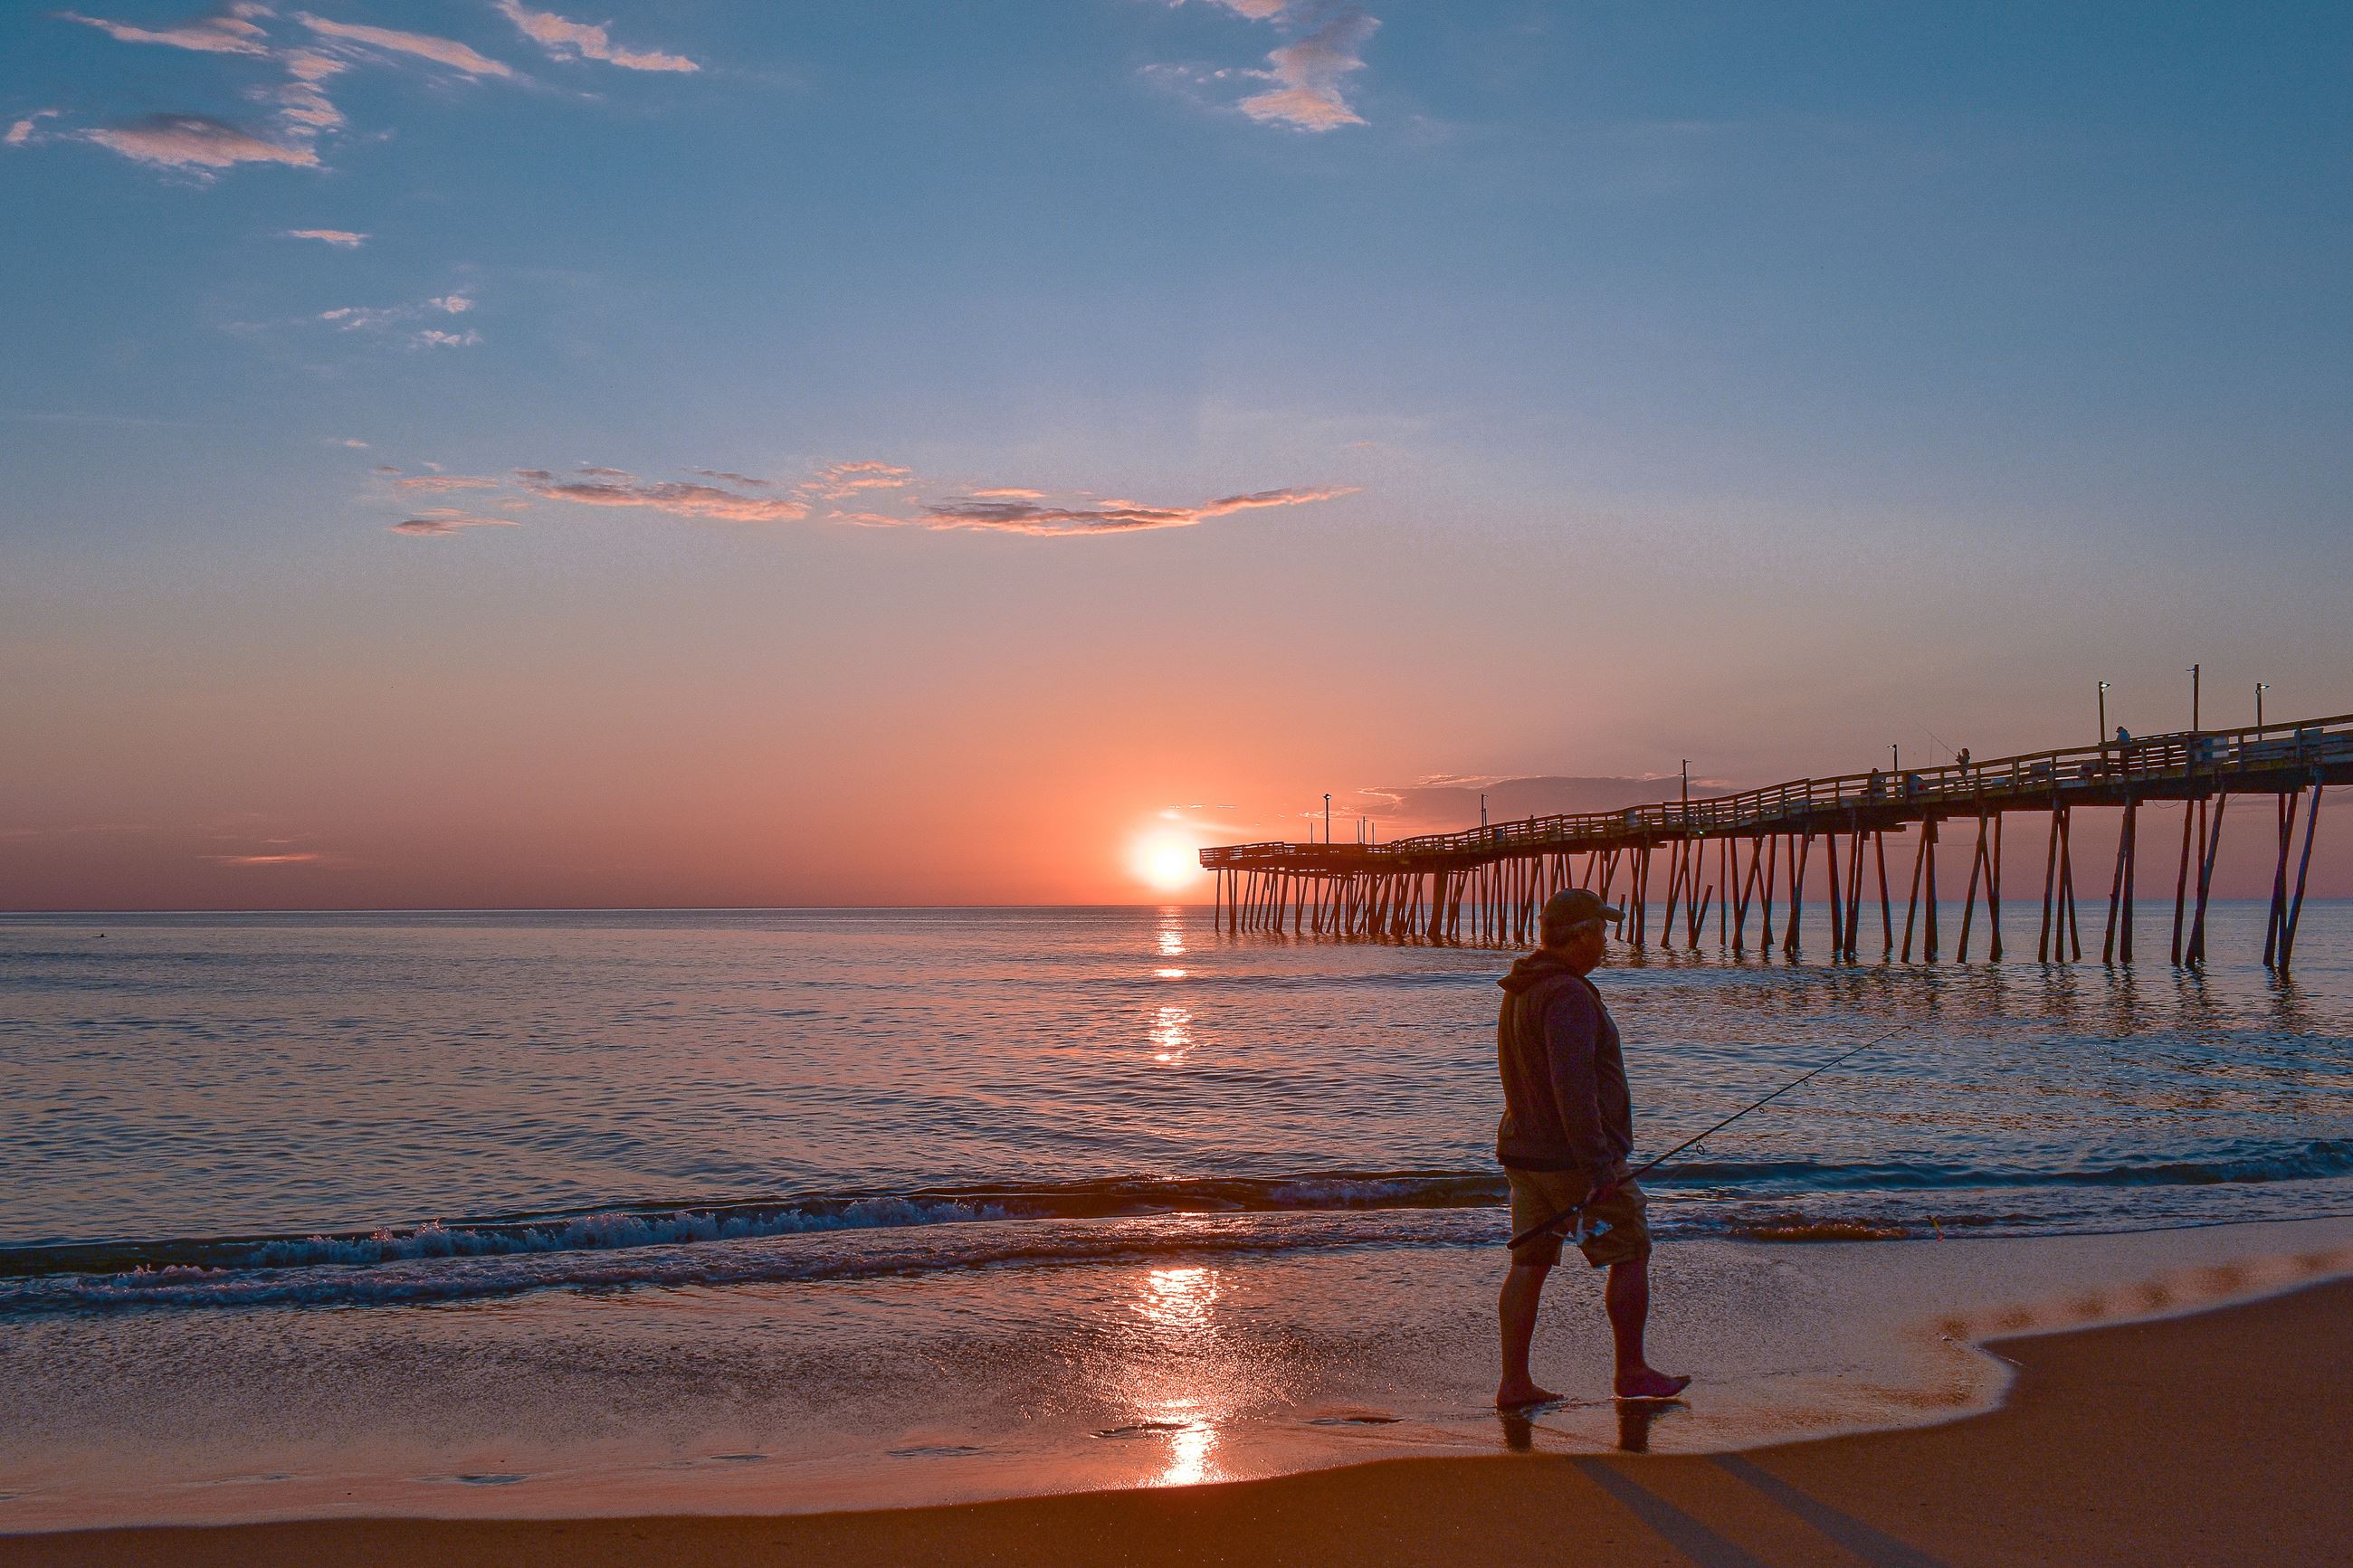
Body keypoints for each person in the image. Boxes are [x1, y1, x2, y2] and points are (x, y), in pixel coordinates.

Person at [1494, 888, 1689, 1408]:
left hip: (1524, 1152)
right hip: (1571, 1160)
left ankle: (1514, 1384)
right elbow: (1572, 1087)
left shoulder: (1521, 986)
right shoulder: (1569, 996)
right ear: (1578, 935)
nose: (1606, 942)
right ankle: (1632, 1371)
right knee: (1630, 1249)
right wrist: (1600, 1165)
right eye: (1600, 931)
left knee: (1530, 1263)